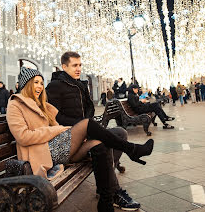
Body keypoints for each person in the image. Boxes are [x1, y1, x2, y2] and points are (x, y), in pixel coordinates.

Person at [4, 65, 150, 212]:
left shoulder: (43, 106)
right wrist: (58, 130)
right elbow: (23, 137)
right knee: (87, 124)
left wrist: (72, 135)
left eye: (41, 83)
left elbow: (56, 128)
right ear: (26, 84)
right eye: (36, 82)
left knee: (99, 144)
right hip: (43, 154)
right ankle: (132, 149)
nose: (40, 86)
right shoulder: (15, 104)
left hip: (58, 149)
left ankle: (106, 203)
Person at [46, 52, 141, 210]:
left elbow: (89, 110)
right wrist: (82, 127)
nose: (78, 68)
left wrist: (88, 127)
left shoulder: (80, 84)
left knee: (120, 133)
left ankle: (105, 184)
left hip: (86, 132)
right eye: (74, 65)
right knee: (103, 146)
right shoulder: (55, 87)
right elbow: (56, 117)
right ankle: (114, 192)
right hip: (69, 138)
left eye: (80, 65)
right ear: (64, 67)